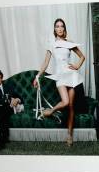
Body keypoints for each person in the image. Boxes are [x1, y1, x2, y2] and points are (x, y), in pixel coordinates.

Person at [32, 18, 86, 146]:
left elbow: (82, 57)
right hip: (61, 76)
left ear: (64, 29)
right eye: (57, 26)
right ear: (54, 29)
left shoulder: (69, 43)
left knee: (71, 106)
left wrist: (77, 66)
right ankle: (50, 111)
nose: (60, 28)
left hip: (71, 75)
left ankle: (69, 135)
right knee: (65, 102)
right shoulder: (51, 43)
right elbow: (46, 62)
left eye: (62, 26)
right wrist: (37, 76)